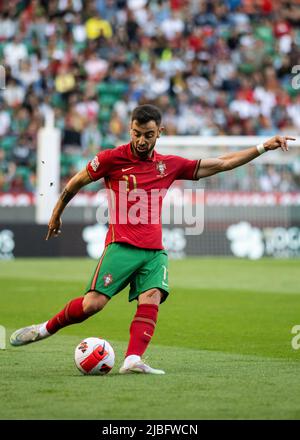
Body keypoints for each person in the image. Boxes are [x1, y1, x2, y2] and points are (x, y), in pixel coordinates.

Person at [10, 104, 295, 374]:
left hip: (154, 251)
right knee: (92, 305)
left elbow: (221, 163)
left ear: (160, 132)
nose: (142, 140)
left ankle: (133, 359)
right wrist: (56, 213)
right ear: (130, 130)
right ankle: (46, 328)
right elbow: (76, 182)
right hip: (121, 246)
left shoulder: (169, 165)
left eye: (148, 134)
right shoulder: (112, 158)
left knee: (152, 298)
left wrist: (263, 147)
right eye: (136, 133)